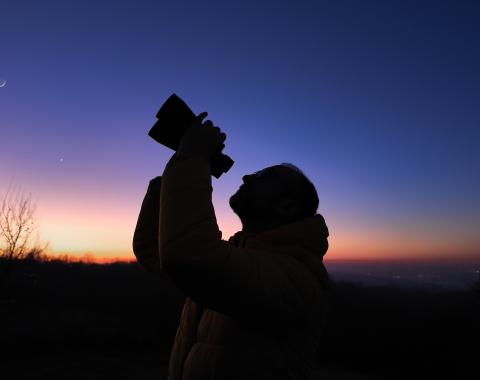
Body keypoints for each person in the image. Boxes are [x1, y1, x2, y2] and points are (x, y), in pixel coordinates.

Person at [133, 112, 330, 380]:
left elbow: (188, 256)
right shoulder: (239, 257)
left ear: (287, 206)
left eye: (266, 176)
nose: (248, 176)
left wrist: (194, 158)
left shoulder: (295, 278)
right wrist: (176, 170)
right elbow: (154, 252)